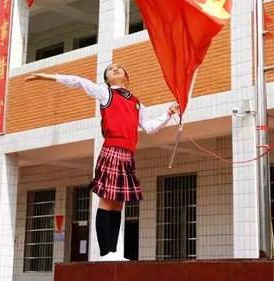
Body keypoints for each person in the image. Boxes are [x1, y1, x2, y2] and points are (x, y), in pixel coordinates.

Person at [27, 63, 178, 261]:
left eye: (119, 67)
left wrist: (168, 113)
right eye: (110, 69)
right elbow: (79, 82)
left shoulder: (136, 101)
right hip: (113, 150)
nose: (115, 69)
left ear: (126, 76)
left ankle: (114, 253)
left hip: (128, 155)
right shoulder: (106, 93)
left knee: (118, 205)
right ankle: (105, 253)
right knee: (107, 202)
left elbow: (149, 127)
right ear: (106, 79)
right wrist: (48, 76)